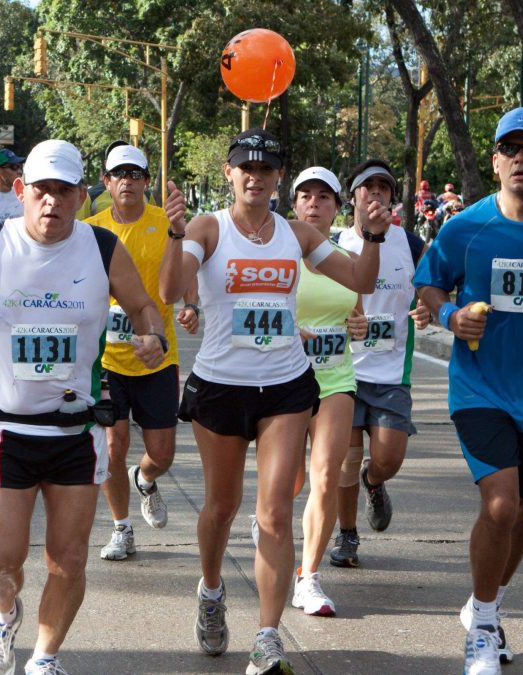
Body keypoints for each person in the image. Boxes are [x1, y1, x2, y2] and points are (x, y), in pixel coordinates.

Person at [0, 138, 166, 675]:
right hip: (4, 428)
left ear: (81, 195)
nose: (52, 201)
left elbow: (142, 305)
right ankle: (4, 614)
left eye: (64, 191)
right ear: (22, 191)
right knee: (0, 564)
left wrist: (152, 336)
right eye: (42, 190)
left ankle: (45, 657)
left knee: (68, 560)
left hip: (76, 430)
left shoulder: (101, 247)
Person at [159, 128, 383, 674]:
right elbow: (168, 291)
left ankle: (267, 636)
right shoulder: (208, 228)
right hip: (220, 386)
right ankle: (211, 590)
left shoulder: (297, 234)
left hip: (285, 385)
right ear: (229, 173)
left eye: (265, 169)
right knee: (221, 507)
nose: (255, 177)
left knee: (275, 512)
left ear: (278, 176)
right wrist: (173, 233)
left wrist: (374, 236)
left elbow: (359, 278)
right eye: (245, 168)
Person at [414, 107, 523, 675]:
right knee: (500, 504)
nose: (520, 158)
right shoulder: (465, 228)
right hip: (481, 388)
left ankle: (482, 603)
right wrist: (451, 315)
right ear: (495, 162)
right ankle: (485, 629)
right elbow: (429, 283)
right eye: (509, 149)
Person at [83, 143, 199, 561]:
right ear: (106, 181)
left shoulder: (166, 223)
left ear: (147, 182)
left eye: (135, 174)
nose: (127, 181)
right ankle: (122, 528)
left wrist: (192, 305)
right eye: (119, 174)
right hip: (108, 360)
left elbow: (184, 273)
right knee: (113, 447)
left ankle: (145, 479)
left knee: (162, 454)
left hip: (157, 357)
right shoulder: (90, 230)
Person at [331, 161, 430, 570]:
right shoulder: (334, 243)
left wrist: (427, 307)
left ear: (392, 197)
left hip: (392, 373)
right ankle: (347, 534)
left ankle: (375, 483)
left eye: (383, 187)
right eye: (366, 186)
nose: (375, 192)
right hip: (344, 372)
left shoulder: (411, 244)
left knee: (388, 459)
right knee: (345, 462)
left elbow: (433, 287)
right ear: (352, 196)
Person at [287, 167, 368, 618]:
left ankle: (309, 577)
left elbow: (357, 316)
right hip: (283, 380)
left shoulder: (346, 259)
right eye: (306, 196)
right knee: (289, 482)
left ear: (337, 207)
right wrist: (289, 330)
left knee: (325, 475)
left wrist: (359, 325)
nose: (314, 203)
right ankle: (268, 520)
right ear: (294, 204)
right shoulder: (278, 255)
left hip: (335, 379)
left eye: (324, 197)